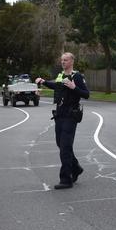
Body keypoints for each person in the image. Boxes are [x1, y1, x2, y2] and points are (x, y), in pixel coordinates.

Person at [35, 52, 89, 189]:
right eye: (62, 60)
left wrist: (74, 87)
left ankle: (66, 179)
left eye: (65, 60)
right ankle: (76, 168)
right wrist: (44, 82)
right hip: (59, 114)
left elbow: (86, 94)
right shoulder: (61, 75)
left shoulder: (76, 76)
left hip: (71, 115)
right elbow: (56, 86)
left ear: (72, 61)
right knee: (61, 144)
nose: (63, 62)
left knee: (65, 146)